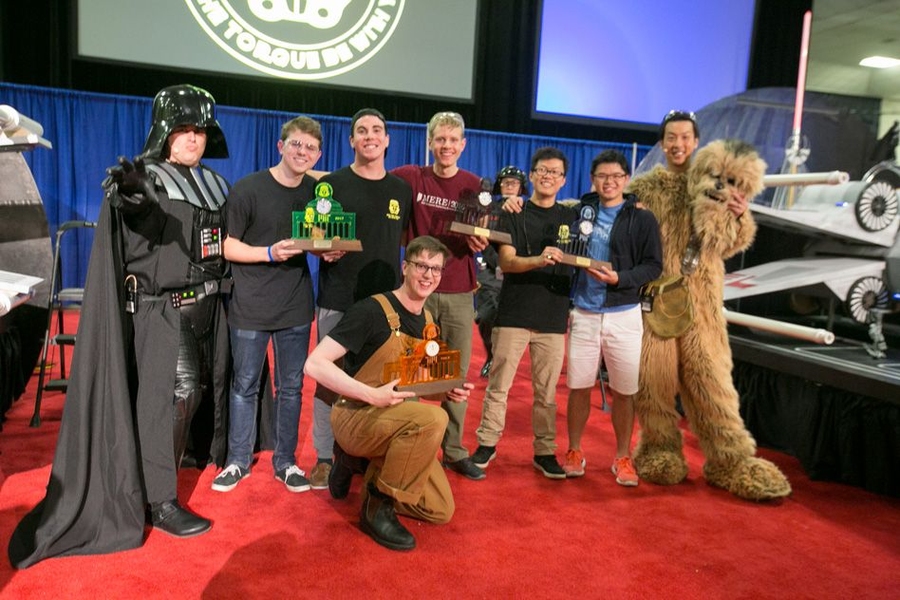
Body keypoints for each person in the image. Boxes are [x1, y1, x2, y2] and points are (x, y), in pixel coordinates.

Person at [9, 84, 230, 568]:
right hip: (159, 309)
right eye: (184, 129)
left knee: (193, 395)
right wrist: (133, 191)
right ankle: (158, 499)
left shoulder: (214, 183)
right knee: (177, 394)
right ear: (165, 131)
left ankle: (170, 470)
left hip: (207, 307)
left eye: (201, 130)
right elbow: (137, 205)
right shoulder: (148, 179)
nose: (193, 138)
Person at [303, 235, 474, 551]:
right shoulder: (371, 310)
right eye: (421, 266)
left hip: (396, 420)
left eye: (435, 269)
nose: (428, 275)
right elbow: (314, 365)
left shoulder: (428, 320)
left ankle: (361, 468)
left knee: (439, 509)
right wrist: (371, 395)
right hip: (355, 414)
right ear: (405, 267)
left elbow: (413, 381)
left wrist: (446, 391)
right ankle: (376, 506)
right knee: (432, 420)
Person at [210, 116, 322, 494]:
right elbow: (228, 246)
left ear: (318, 153)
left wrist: (331, 252)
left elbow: (322, 239)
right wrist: (270, 253)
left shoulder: (318, 194)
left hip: (295, 306)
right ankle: (237, 461)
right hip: (251, 304)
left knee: (291, 388)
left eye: (310, 147)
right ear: (280, 146)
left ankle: (286, 462)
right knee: (244, 385)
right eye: (296, 144)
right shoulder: (248, 188)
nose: (302, 152)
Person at [308, 108, 412, 490]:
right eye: (362, 131)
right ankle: (323, 456)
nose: (370, 136)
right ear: (351, 141)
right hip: (339, 297)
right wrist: (321, 250)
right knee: (328, 381)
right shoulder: (331, 184)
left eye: (377, 130)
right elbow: (315, 235)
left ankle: (361, 455)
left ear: (387, 140)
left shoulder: (401, 190)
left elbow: (404, 241)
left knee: (378, 380)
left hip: (386, 305)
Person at [393, 111, 488, 481]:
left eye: (453, 140)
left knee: (457, 374)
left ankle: (453, 450)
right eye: (440, 139)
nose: (446, 146)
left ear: (463, 145)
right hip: (419, 293)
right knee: (414, 371)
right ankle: (413, 443)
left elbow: (484, 231)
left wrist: (480, 241)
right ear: (430, 142)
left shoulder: (474, 185)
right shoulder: (411, 177)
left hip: (460, 291)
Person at [470, 148, 576, 479]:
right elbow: (507, 262)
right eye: (541, 171)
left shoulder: (572, 219)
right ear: (531, 176)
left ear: (563, 179)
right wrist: (539, 260)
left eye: (555, 172)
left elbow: (605, 203)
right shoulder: (514, 212)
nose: (547, 176)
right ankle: (486, 444)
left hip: (553, 318)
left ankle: (544, 451)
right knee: (498, 386)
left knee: (547, 394)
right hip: (514, 313)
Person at [561, 150, 662, 484]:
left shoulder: (641, 218)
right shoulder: (580, 211)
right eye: (603, 176)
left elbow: (653, 265)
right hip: (585, 311)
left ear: (626, 179)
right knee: (578, 385)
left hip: (624, 313)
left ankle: (623, 456)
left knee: (625, 390)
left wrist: (621, 278)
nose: (609, 182)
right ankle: (574, 450)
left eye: (616, 176)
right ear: (593, 179)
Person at [475, 166, 529, 378]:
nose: (509, 186)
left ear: (521, 187)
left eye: (514, 183)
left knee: (511, 324)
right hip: (489, 272)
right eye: (506, 182)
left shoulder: (528, 210)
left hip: (517, 274)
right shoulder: (489, 207)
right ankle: (490, 356)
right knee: (486, 317)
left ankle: (504, 363)